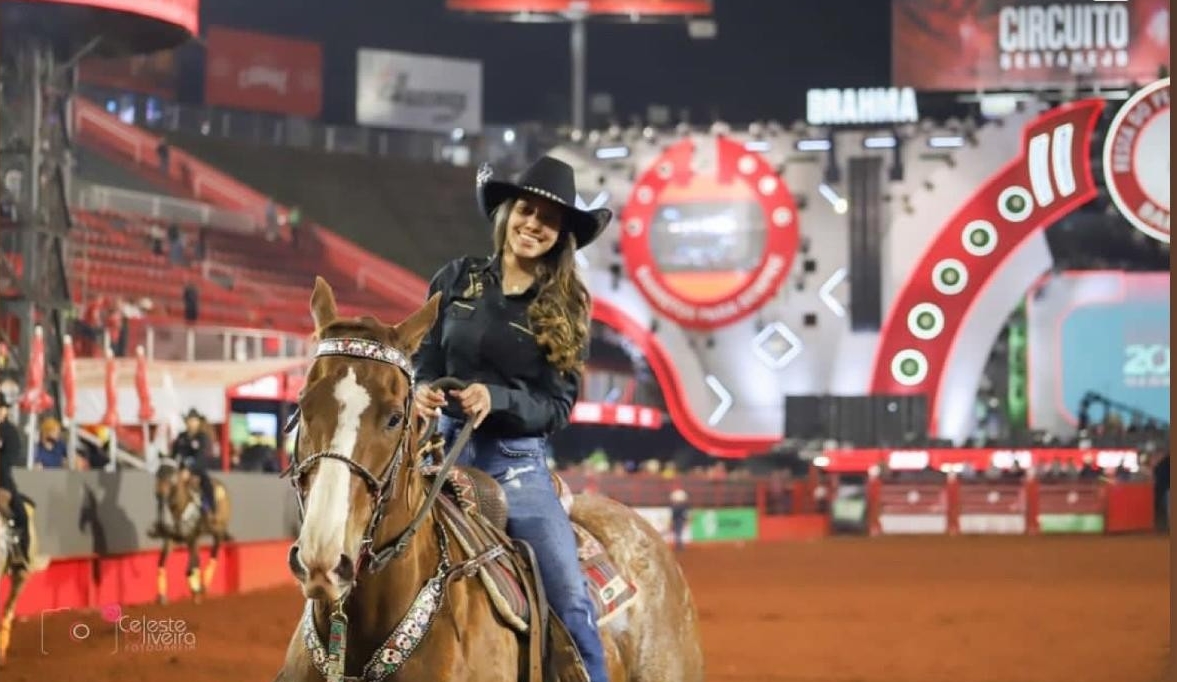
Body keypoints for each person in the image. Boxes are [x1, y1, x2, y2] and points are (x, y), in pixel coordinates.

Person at [413, 156, 611, 682]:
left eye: (549, 220)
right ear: (507, 213)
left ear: (561, 235)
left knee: (569, 600)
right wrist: (422, 389)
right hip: (438, 451)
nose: (533, 225)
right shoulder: (456, 278)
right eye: (526, 210)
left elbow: (557, 407)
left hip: (514, 467)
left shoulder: (565, 306)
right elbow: (426, 355)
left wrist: (496, 399)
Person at [154, 408, 216, 533]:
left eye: (194, 420)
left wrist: (190, 470)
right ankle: (162, 518)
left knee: (207, 485)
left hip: (198, 470)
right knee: (164, 486)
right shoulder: (181, 437)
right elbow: (174, 454)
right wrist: (165, 458)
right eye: (189, 420)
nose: (191, 423)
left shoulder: (202, 438)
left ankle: (209, 512)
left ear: (198, 422)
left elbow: (202, 457)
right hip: (180, 470)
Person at [0, 395, 31, 565]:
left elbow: (10, 457)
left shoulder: (9, 432)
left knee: (21, 515)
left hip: (2, 481)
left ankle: (20, 554)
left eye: (1, 408)